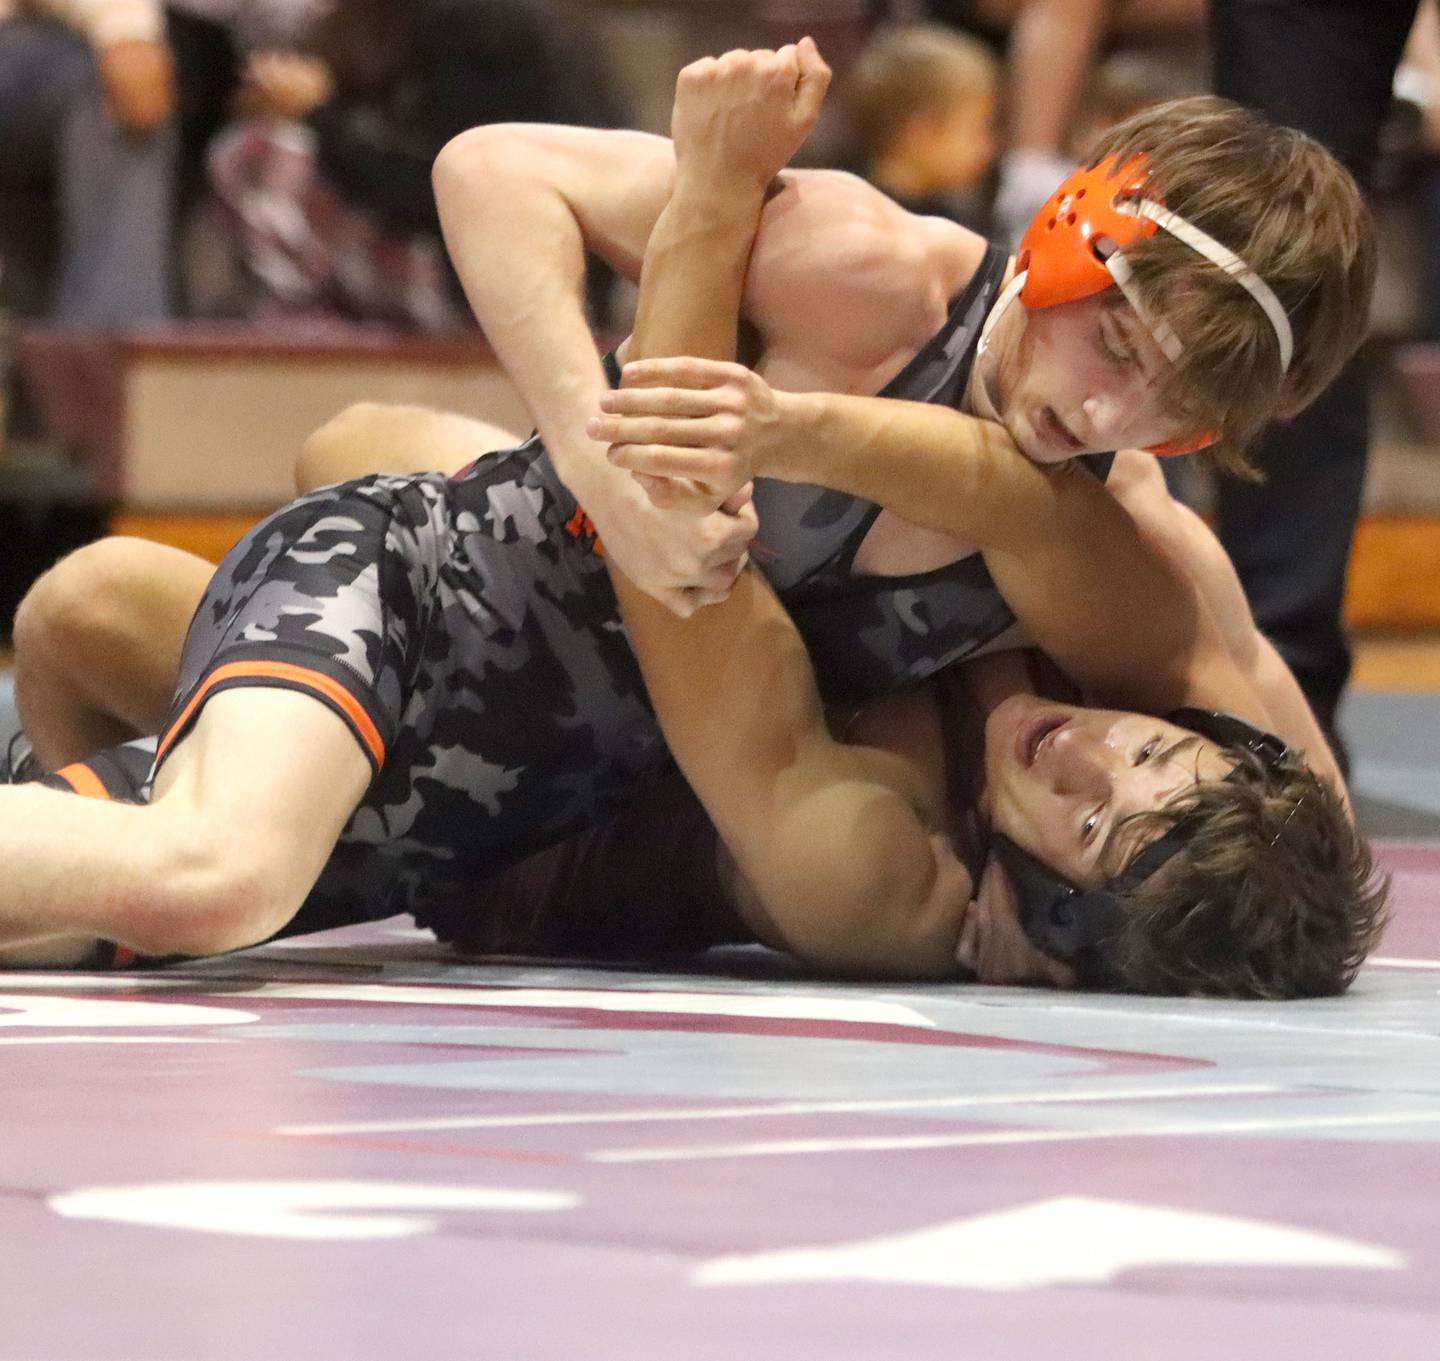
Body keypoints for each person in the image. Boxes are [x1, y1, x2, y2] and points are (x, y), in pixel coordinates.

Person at [2, 45, 1380, 996]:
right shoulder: (871, 277)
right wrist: (597, 450)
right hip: (424, 602)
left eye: (1176, 411)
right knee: (214, 874)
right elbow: (491, 168)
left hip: (473, 806)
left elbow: (1288, 800)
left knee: (83, 700)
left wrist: (1278, 930)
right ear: (1072, 236)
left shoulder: (1113, 534)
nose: (1111, 417)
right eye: (1120, 349)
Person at [844, 21, 998, 229]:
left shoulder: (958, 215)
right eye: (979, 129)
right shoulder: (866, 226)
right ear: (921, 134)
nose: (990, 146)